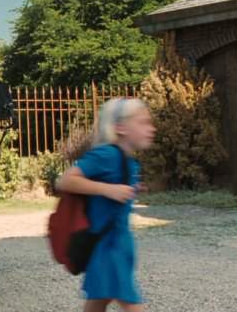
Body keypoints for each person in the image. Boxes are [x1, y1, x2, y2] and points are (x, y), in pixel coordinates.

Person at [55, 97, 156, 312]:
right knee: (130, 303)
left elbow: (114, 189)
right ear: (120, 127)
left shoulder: (127, 159)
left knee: (99, 301)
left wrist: (130, 189)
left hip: (118, 243)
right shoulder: (107, 154)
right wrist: (109, 190)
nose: (151, 128)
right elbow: (66, 180)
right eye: (143, 122)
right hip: (108, 247)